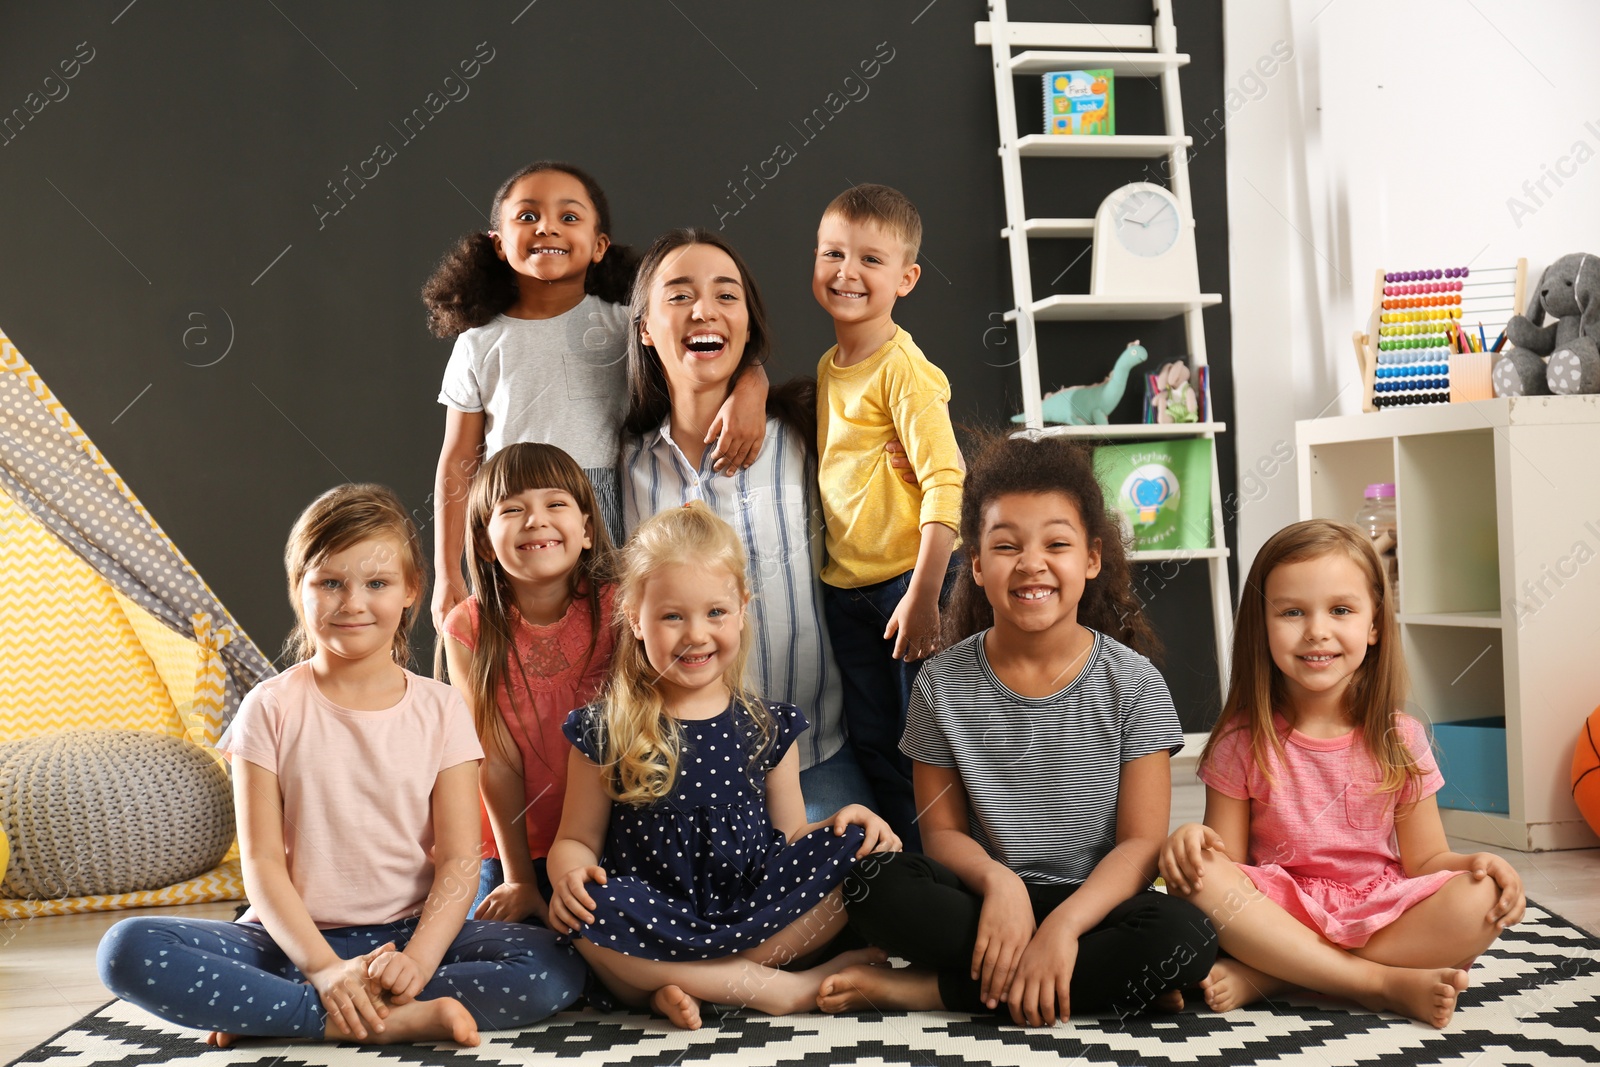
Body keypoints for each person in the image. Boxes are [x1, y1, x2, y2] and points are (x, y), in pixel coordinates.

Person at [97, 485, 584, 1048]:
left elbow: (457, 860)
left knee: (554, 964)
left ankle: (282, 1009)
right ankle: (345, 1010)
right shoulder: (270, 707)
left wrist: (420, 963)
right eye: (330, 583)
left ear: (410, 591)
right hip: (290, 941)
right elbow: (259, 864)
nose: (353, 602)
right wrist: (324, 966)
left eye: (376, 583)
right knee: (127, 948)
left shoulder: (440, 707)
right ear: (298, 590)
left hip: (409, 933)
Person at [818, 433, 1216, 1028]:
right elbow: (943, 835)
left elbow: (1139, 847)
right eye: (1007, 546)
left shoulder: (1133, 682)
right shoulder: (941, 684)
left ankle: (934, 991)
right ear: (976, 564)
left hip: (1092, 904)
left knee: (1187, 937)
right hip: (982, 904)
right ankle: (1099, 982)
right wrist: (1000, 886)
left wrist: (1063, 926)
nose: (1032, 563)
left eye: (1057, 543)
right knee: (874, 885)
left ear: (1092, 559)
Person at [1157, 519, 1523, 1029]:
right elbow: (1228, 862)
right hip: (1279, 911)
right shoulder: (1242, 741)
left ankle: (1281, 974)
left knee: (1481, 898)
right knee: (1194, 875)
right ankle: (1379, 983)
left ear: (1373, 625)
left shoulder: (1401, 738)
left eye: (1341, 610)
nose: (1317, 631)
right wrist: (1194, 839)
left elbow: (1427, 860)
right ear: (1261, 626)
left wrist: (1475, 861)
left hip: (1379, 911)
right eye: (1291, 612)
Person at [547, 502, 898, 1030]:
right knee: (583, 909)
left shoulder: (768, 727)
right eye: (672, 616)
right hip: (651, 921)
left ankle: (678, 985)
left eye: (716, 612)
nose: (697, 634)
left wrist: (843, 822)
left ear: (741, 610)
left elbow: (791, 837)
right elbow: (575, 838)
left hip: (751, 914)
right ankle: (777, 990)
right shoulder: (606, 730)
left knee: (865, 858)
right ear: (635, 620)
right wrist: (567, 871)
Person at [425, 161, 767, 632]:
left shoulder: (624, 323)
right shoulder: (479, 343)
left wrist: (753, 383)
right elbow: (458, 458)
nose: (546, 226)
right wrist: (448, 573)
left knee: (614, 644)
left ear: (600, 245)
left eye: (569, 217)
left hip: (607, 507)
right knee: (521, 646)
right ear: (498, 244)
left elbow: (699, 354)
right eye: (527, 217)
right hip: (516, 515)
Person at [618, 228, 874, 821]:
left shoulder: (813, 434)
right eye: (678, 296)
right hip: (677, 769)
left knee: (870, 892)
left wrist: (755, 380)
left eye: (726, 295)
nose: (704, 309)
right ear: (645, 329)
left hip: (815, 754)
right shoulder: (622, 465)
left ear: (749, 327)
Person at [812, 182, 965, 849]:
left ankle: (954, 866)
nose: (847, 272)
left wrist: (928, 593)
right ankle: (906, 871)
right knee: (874, 739)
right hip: (847, 588)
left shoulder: (905, 369)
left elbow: (945, 477)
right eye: (833, 253)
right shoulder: (829, 365)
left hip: (909, 583)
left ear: (906, 278)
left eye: (870, 260)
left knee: (926, 744)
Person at [439, 442, 617, 924]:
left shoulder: (620, 608)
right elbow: (493, 759)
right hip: (514, 843)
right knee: (476, 937)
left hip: (614, 836)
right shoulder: (468, 629)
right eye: (512, 509)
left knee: (597, 938)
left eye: (555, 503)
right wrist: (518, 878)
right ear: (483, 543)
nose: (535, 519)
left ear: (585, 530)